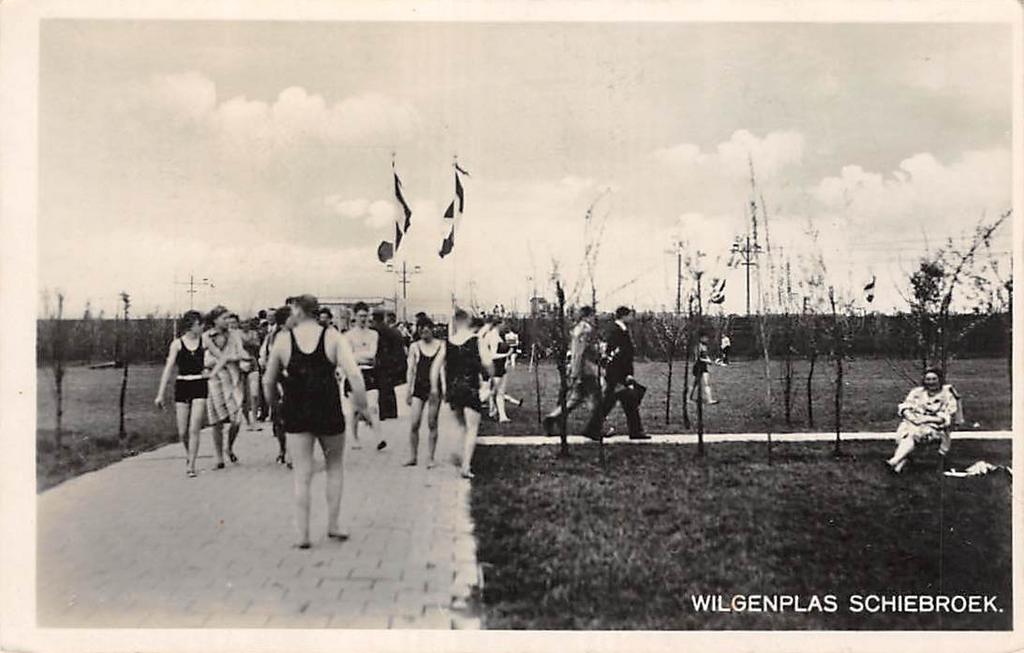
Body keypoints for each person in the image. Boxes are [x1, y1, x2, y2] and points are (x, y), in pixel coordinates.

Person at [263, 294, 371, 549]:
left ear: (299, 311)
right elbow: (354, 375)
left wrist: (274, 407)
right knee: (334, 467)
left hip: (296, 410)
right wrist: (363, 407)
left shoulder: (283, 340)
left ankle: (303, 535)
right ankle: (334, 525)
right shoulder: (333, 337)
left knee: (302, 474)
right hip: (328, 409)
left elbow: (268, 380)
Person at [436, 309, 493, 478]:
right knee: (472, 428)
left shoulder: (448, 343)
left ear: (454, 321)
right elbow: (487, 362)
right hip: (470, 387)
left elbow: (439, 368)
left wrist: (442, 388)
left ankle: (458, 454)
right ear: (468, 321)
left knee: (461, 426)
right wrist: (489, 378)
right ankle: (466, 466)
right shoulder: (477, 341)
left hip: (454, 389)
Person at [154, 310, 208, 477]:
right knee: (182, 432)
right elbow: (168, 369)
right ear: (191, 326)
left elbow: (221, 357)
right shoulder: (177, 344)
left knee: (194, 428)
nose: (203, 328)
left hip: (199, 384)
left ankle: (191, 465)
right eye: (200, 325)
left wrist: (211, 370)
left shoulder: (204, 341)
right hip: (183, 385)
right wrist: (160, 394)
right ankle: (189, 454)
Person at [584, 306, 648, 440]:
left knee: (624, 402)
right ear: (624, 316)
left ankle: (635, 431)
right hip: (617, 374)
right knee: (611, 402)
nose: (632, 318)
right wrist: (625, 374)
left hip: (618, 373)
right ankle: (592, 429)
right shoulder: (616, 331)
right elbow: (618, 354)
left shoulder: (620, 330)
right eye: (630, 315)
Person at [886, 368, 959, 474]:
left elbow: (947, 417)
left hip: (935, 427)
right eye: (928, 379)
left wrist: (926, 419)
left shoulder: (947, 395)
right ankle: (898, 465)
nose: (931, 382)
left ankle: (895, 461)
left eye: (934, 379)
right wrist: (913, 418)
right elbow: (905, 407)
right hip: (913, 422)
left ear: (940, 380)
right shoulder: (917, 392)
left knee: (914, 434)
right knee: (908, 433)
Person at [543, 306, 601, 436]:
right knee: (596, 398)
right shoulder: (585, 329)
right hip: (586, 369)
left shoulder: (577, 329)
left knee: (576, 399)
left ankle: (553, 417)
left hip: (581, 368)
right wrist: (576, 372)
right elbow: (579, 353)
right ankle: (595, 428)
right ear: (587, 316)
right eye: (592, 315)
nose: (594, 318)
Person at [203, 306, 247, 467]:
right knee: (217, 421)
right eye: (224, 318)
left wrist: (245, 359)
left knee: (237, 419)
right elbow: (217, 357)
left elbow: (240, 352)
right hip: (216, 380)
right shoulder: (207, 336)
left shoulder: (235, 335)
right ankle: (219, 457)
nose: (228, 321)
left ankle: (229, 447)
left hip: (233, 379)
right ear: (215, 320)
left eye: (229, 318)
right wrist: (232, 358)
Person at [342, 302, 385, 450]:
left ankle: (379, 438)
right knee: (355, 410)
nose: (363, 319)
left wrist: (357, 355)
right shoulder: (348, 336)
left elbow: (372, 354)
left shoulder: (374, 334)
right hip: (354, 373)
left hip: (370, 373)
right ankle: (354, 439)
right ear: (354, 316)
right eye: (360, 316)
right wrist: (360, 356)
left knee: (373, 407)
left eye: (365, 316)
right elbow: (348, 357)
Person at [403, 316, 443, 467]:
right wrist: (408, 391)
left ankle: (431, 458)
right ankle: (413, 457)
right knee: (414, 423)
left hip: (434, 389)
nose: (424, 332)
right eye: (421, 329)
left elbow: (443, 370)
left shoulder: (441, 346)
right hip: (419, 388)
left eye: (427, 329)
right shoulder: (415, 347)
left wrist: (443, 390)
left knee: (432, 423)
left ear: (432, 329)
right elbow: (411, 370)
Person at [260, 305, 293, 467]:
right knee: (279, 417)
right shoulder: (273, 338)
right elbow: (264, 358)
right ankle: (283, 449)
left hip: (295, 380)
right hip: (278, 379)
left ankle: (293, 453)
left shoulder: (299, 336)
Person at [373, 310, 407, 423]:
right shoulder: (394, 332)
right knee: (388, 389)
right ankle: (391, 412)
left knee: (377, 390)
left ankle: (381, 413)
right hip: (390, 364)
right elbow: (400, 350)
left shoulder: (372, 331)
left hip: (377, 364)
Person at [481, 316, 512, 423]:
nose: (505, 326)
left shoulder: (498, 335)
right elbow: (492, 355)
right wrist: (507, 354)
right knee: (489, 392)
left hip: (500, 367)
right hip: (494, 368)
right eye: (504, 323)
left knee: (500, 393)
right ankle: (471, 405)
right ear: (498, 324)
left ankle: (502, 416)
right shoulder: (493, 336)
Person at [690, 332, 719, 406]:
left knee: (707, 383)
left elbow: (706, 356)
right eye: (706, 337)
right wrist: (707, 361)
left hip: (704, 367)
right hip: (698, 367)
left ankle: (709, 400)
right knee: (694, 384)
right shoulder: (698, 347)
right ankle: (688, 398)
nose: (707, 339)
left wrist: (708, 360)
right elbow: (697, 359)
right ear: (701, 338)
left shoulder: (705, 346)